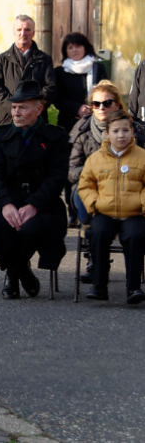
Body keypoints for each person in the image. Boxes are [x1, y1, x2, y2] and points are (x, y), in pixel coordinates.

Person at [0, 80, 69, 300]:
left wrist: (34, 206)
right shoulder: (0, 135)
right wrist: (6, 205)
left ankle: (13, 274)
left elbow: (57, 178)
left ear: (38, 110)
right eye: (14, 107)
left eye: (23, 108)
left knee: (31, 228)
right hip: (7, 201)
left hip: (43, 204)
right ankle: (22, 272)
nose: (16, 113)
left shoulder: (56, 137)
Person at [68, 80, 145, 282]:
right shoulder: (82, 131)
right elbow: (72, 170)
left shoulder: (136, 130)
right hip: (93, 192)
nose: (101, 108)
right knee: (80, 193)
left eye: (107, 103)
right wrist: (96, 173)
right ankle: (94, 254)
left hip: (129, 193)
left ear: (118, 105)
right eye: (96, 104)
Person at [77, 109, 145, 305]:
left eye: (125, 130)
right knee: (98, 233)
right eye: (115, 131)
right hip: (104, 211)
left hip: (134, 213)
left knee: (135, 235)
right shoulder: (96, 159)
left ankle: (133, 287)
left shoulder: (141, 157)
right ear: (107, 134)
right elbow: (85, 185)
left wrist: (142, 205)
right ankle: (99, 286)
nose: (121, 135)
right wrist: (95, 204)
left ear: (132, 132)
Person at [54, 32, 109, 228]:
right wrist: (75, 108)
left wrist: (94, 107)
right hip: (70, 126)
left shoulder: (97, 68)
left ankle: (97, 208)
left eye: (78, 46)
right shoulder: (60, 72)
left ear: (86, 47)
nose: (75, 50)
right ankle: (73, 212)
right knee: (73, 168)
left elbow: (107, 90)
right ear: (65, 51)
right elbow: (57, 99)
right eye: (70, 47)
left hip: (96, 126)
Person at [0, 15, 56, 126]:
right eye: (19, 30)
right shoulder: (1, 60)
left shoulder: (44, 60)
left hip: (36, 123)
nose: (23, 33)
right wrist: (15, 108)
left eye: (27, 30)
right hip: (8, 122)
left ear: (33, 33)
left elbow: (51, 88)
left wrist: (33, 108)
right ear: (14, 32)